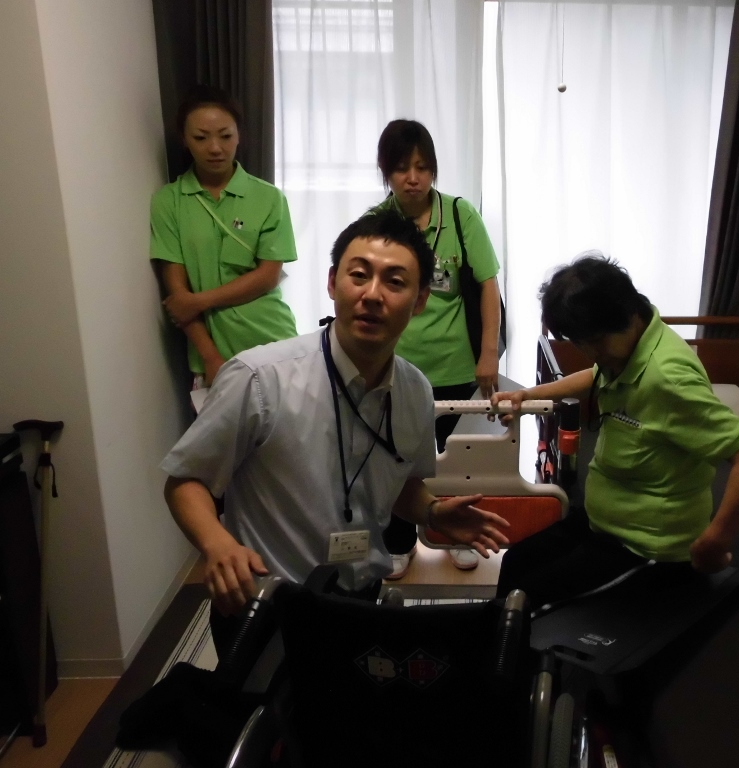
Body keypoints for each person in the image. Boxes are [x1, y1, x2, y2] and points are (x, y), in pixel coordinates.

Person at [161, 209, 510, 656]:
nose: (372, 295)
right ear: (332, 283)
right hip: (267, 603)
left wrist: (432, 512)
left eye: (395, 282)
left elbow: (400, 484)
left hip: (360, 601)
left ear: (421, 300)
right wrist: (217, 545)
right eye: (359, 275)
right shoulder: (260, 378)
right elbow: (185, 479)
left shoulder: (415, 391)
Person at [491, 254, 739, 609]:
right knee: (515, 562)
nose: (592, 353)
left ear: (628, 313)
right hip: (604, 524)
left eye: (597, 342)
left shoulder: (668, 381)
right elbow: (595, 374)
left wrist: (716, 538)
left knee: (526, 600)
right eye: (581, 343)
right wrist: (530, 395)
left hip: (646, 547)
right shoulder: (628, 346)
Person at [371, 119, 503, 576]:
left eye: (423, 167)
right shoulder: (377, 223)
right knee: (395, 456)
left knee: (455, 460)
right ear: (386, 172)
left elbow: (488, 285)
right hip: (394, 366)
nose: (413, 178)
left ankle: (454, 534)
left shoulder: (460, 216)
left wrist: (488, 353)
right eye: (401, 168)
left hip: (455, 365)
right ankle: (398, 541)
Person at [151, 85, 298, 388]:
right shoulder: (168, 201)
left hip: (274, 340)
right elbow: (178, 298)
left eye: (225, 136)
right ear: (184, 139)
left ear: (239, 135)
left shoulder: (269, 198)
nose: (215, 148)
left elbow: (268, 276)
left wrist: (199, 301)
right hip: (212, 356)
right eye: (201, 138)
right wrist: (210, 357)